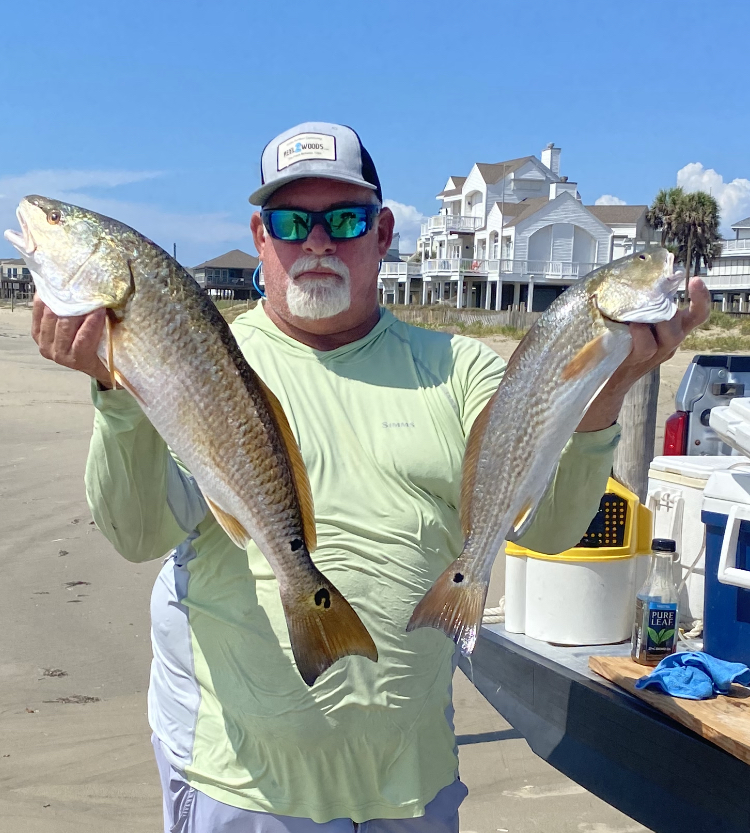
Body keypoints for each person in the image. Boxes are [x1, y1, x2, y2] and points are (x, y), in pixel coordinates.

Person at [31, 122, 710, 832]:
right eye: (292, 222)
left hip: (410, 790)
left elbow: (549, 526)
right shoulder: (197, 357)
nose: (317, 242)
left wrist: (611, 382)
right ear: (260, 239)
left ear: (383, 233)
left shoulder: (461, 368)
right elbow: (137, 532)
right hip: (241, 788)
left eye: (345, 220)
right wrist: (116, 394)